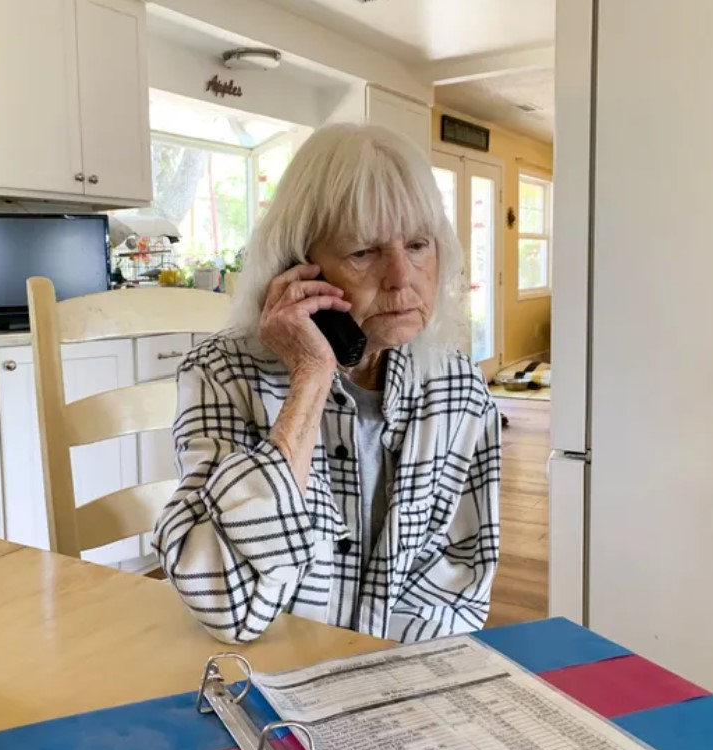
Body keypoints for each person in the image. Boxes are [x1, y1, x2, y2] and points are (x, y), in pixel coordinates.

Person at [152, 123, 501, 644]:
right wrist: (310, 380)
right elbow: (225, 605)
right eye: (364, 252)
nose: (402, 278)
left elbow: (459, 582)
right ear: (298, 267)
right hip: (258, 674)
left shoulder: (457, 388)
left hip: (396, 680)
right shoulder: (221, 374)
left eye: (418, 245)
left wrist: (382, 679)